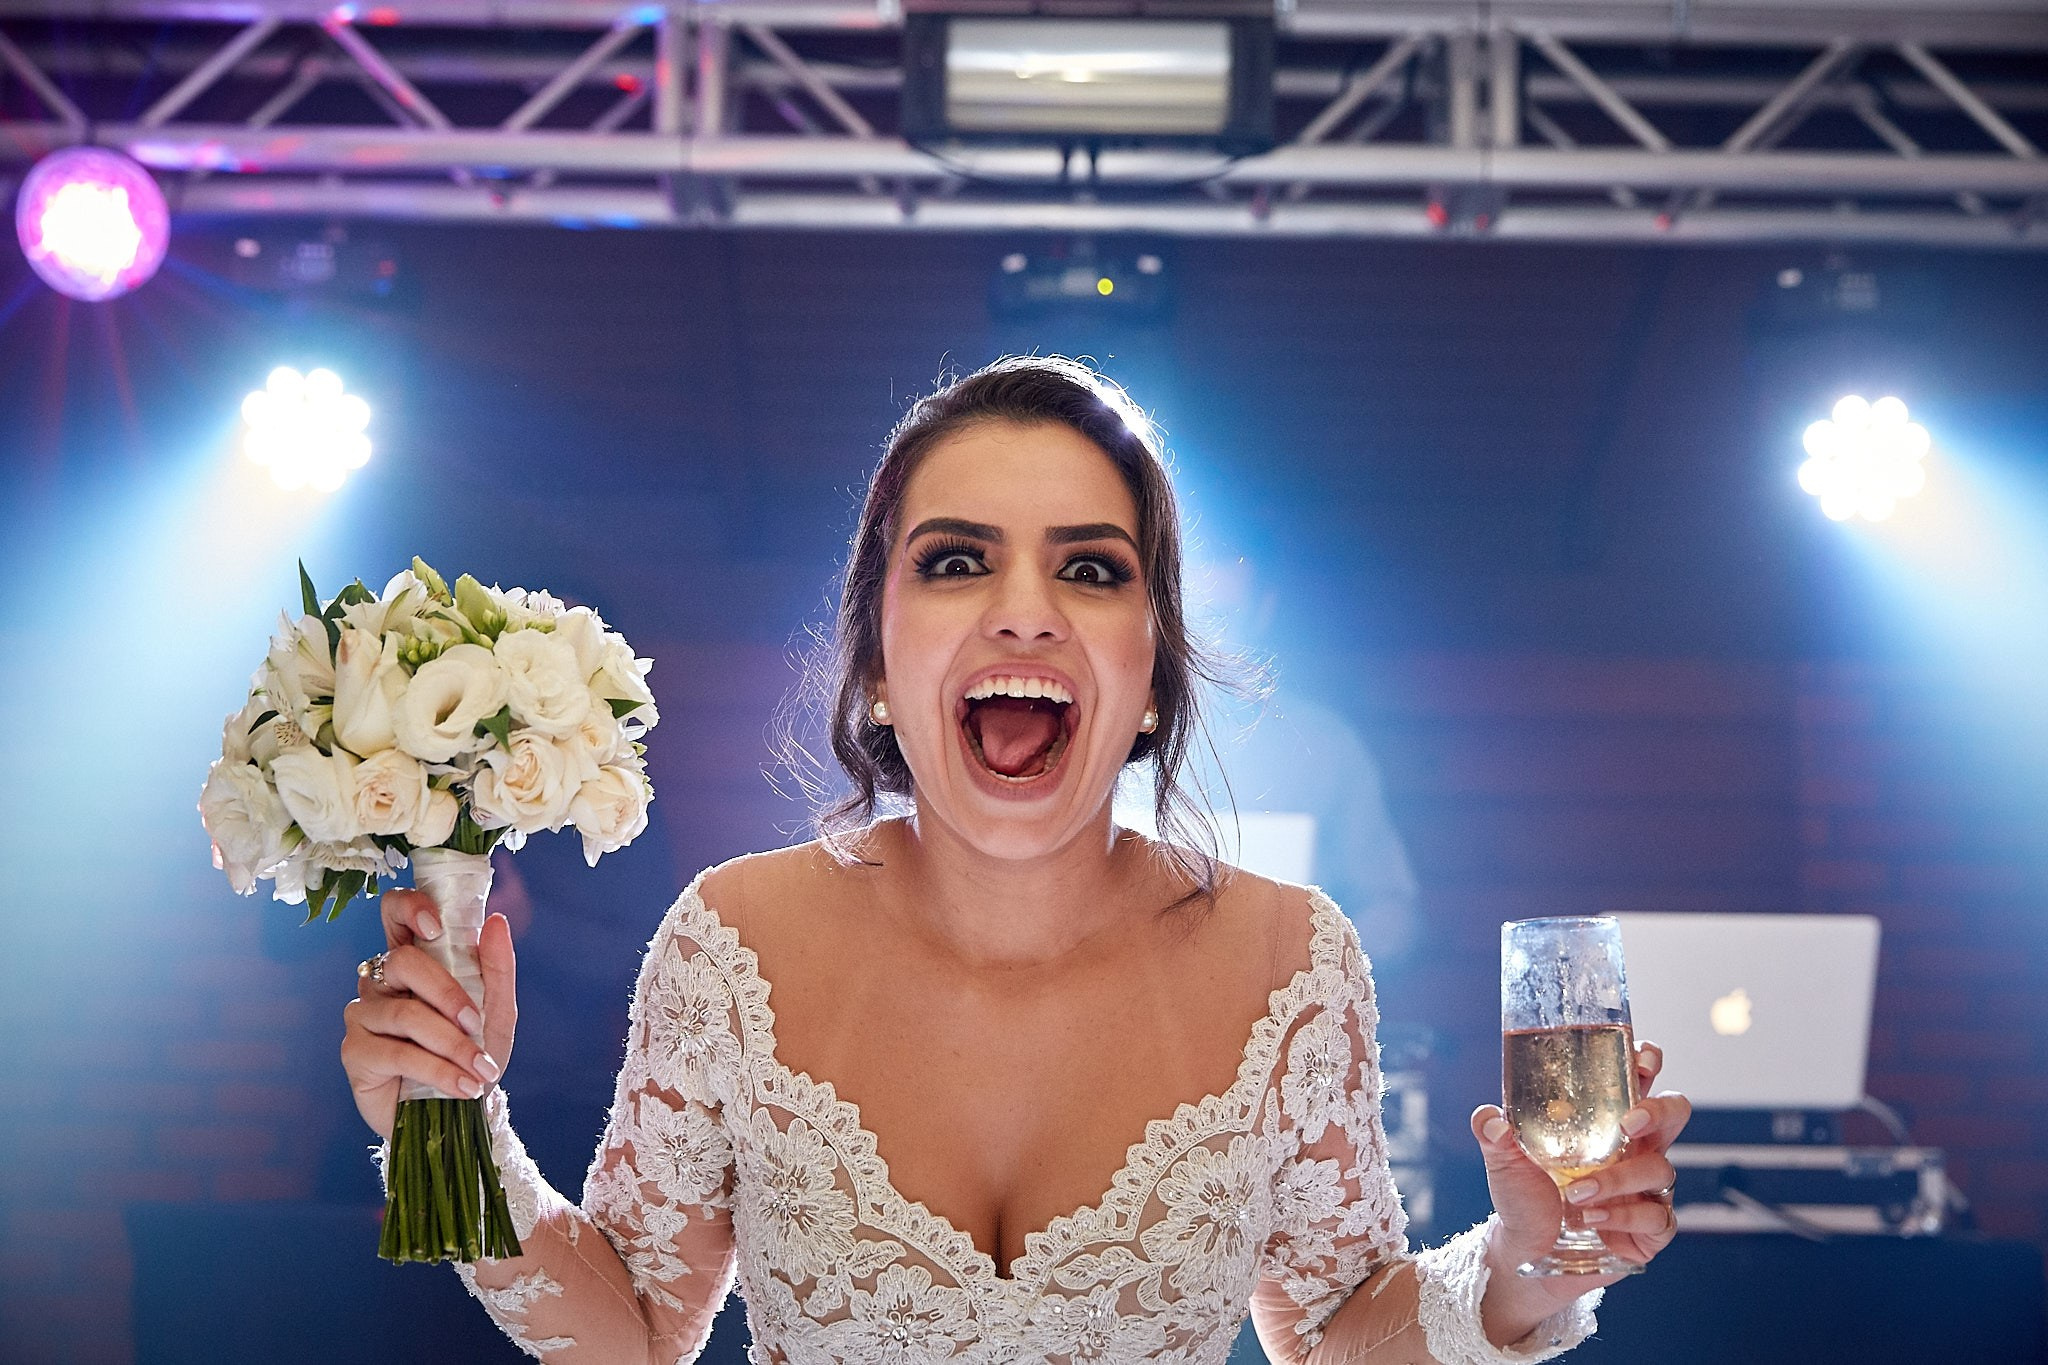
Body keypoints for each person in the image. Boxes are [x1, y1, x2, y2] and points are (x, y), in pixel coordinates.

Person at [340, 356, 1690, 1364]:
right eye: (958, 559)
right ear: (877, 655)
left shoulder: (1293, 960)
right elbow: (632, 1333)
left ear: (1152, 674)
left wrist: (1526, 1264)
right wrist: (438, 1125)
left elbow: (1340, 1330)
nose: (1027, 612)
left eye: (1092, 570)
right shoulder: (728, 942)